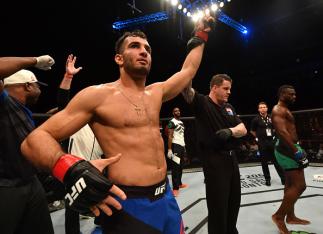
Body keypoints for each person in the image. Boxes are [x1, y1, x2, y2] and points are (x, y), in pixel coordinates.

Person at [21, 16, 214, 233]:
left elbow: (188, 70)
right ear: (119, 59)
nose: (144, 52)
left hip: (166, 196)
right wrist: (71, 168)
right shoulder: (98, 96)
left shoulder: (156, 92)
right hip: (128, 203)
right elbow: (34, 141)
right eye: (135, 46)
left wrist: (201, 35)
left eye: (148, 49)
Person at [182, 74, 247, 234]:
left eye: (230, 89)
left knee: (234, 202)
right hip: (214, 160)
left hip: (232, 159)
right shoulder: (203, 103)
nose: (229, 92)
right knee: (218, 206)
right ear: (214, 87)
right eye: (225, 88)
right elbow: (185, 89)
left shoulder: (229, 107)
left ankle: (231, 231)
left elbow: (243, 129)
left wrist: (230, 131)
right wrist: (191, 67)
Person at [0, 55, 55, 234]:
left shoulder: (22, 110)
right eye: (38, 85)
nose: (40, 89)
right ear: (28, 85)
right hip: (7, 186)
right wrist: (36, 60)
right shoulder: (4, 103)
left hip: (30, 181)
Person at [271, 85, 310, 234]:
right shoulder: (278, 110)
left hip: (289, 147)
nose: (294, 97)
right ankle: (279, 216)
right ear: (282, 94)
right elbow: (281, 132)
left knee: (290, 185)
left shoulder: (283, 109)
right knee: (300, 186)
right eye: (291, 94)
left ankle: (291, 216)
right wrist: (296, 152)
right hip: (286, 149)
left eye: (295, 94)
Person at [250, 101, 285, 186]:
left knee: (276, 161)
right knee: (264, 162)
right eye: (261, 107)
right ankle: (267, 179)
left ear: (267, 108)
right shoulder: (256, 119)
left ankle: (283, 179)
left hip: (271, 142)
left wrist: (273, 137)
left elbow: (275, 128)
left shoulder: (271, 117)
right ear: (258, 109)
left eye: (264, 107)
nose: (263, 108)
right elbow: (252, 131)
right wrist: (258, 138)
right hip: (262, 143)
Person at [167, 107, 188, 197]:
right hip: (175, 146)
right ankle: (175, 188)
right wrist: (169, 149)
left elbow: (182, 136)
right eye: (175, 111)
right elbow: (170, 136)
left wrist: (184, 148)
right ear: (173, 113)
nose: (178, 112)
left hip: (181, 146)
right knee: (175, 167)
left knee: (181, 166)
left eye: (179, 110)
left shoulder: (181, 123)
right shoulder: (171, 122)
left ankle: (179, 183)